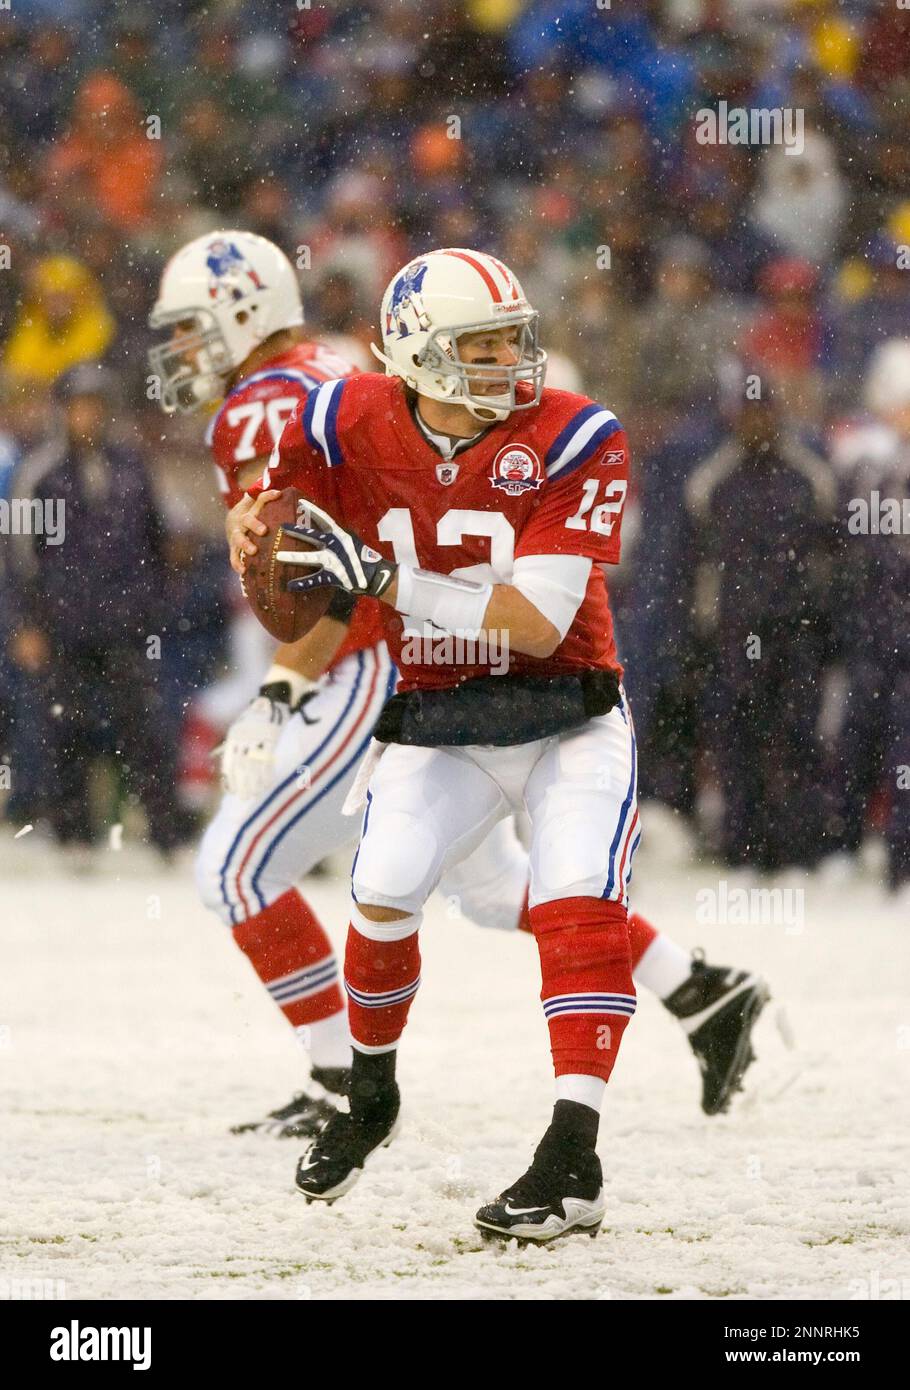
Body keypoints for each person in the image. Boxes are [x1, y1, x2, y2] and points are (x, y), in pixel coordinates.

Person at [155, 232, 770, 1148]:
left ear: (244, 312)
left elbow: (326, 576)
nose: (182, 353)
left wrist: (286, 684)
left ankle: (338, 1084)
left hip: (387, 662)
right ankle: (700, 989)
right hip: (431, 658)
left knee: (235, 870)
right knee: (492, 893)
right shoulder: (334, 384)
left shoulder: (267, 408)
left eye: (195, 328)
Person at [6, 363, 187, 858]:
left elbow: (157, 540)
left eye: (96, 406)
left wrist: (153, 605)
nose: (87, 415)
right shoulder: (37, 472)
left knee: (145, 728)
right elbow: (19, 556)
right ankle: (73, 832)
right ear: (63, 411)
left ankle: (165, 833)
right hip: (61, 622)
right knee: (64, 726)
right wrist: (24, 624)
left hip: (126, 622)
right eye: (79, 406)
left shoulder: (132, 465)